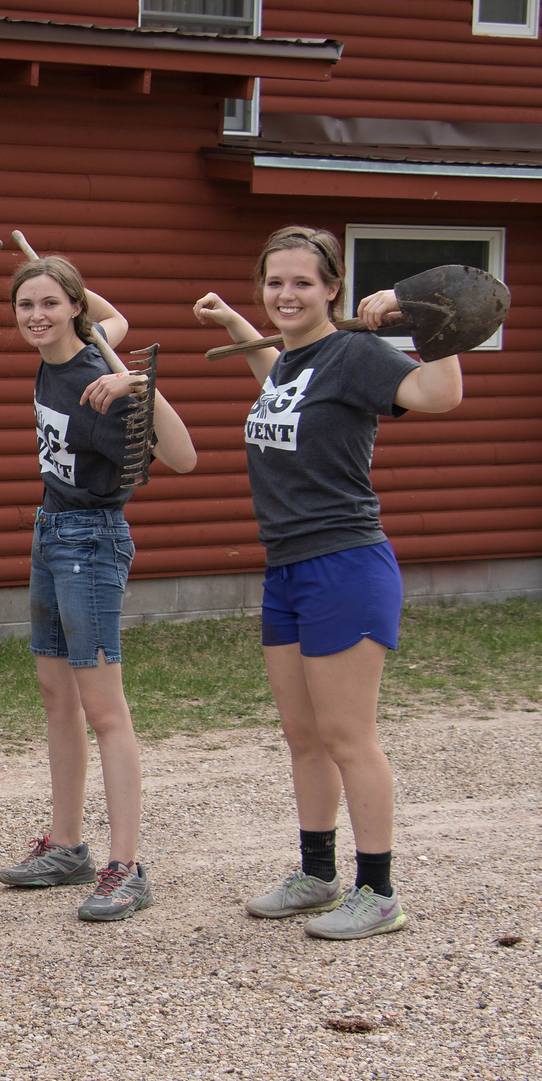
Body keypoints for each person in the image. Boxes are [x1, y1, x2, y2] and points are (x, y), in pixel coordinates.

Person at [193, 226, 463, 940]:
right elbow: (277, 384)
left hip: (343, 563)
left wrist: (429, 322)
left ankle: (379, 892)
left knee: (349, 736)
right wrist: (235, 325)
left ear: (332, 290)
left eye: (302, 283)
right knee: (303, 735)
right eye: (275, 282)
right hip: (285, 567)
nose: (287, 294)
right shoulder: (295, 362)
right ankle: (317, 874)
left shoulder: (354, 353)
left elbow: (438, 395)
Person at [0, 256, 197, 922]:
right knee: (57, 696)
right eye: (26, 304)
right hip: (50, 532)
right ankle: (69, 846)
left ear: (72, 307)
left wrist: (137, 383)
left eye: (51, 304)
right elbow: (112, 315)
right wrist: (60, 281)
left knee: (104, 709)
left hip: (92, 543)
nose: (37, 316)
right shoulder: (68, 347)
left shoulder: (97, 380)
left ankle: (127, 866)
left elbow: (184, 455)